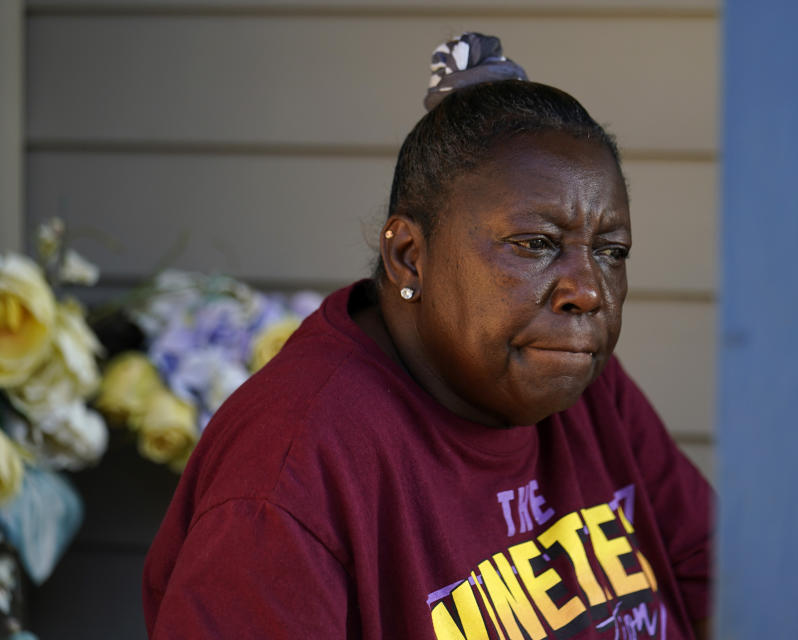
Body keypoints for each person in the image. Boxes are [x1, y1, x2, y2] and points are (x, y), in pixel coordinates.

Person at [142, 33, 713, 639]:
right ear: (410, 256)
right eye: (535, 244)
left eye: (610, 251)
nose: (589, 290)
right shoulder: (292, 471)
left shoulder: (573, 379)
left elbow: (725, 588)